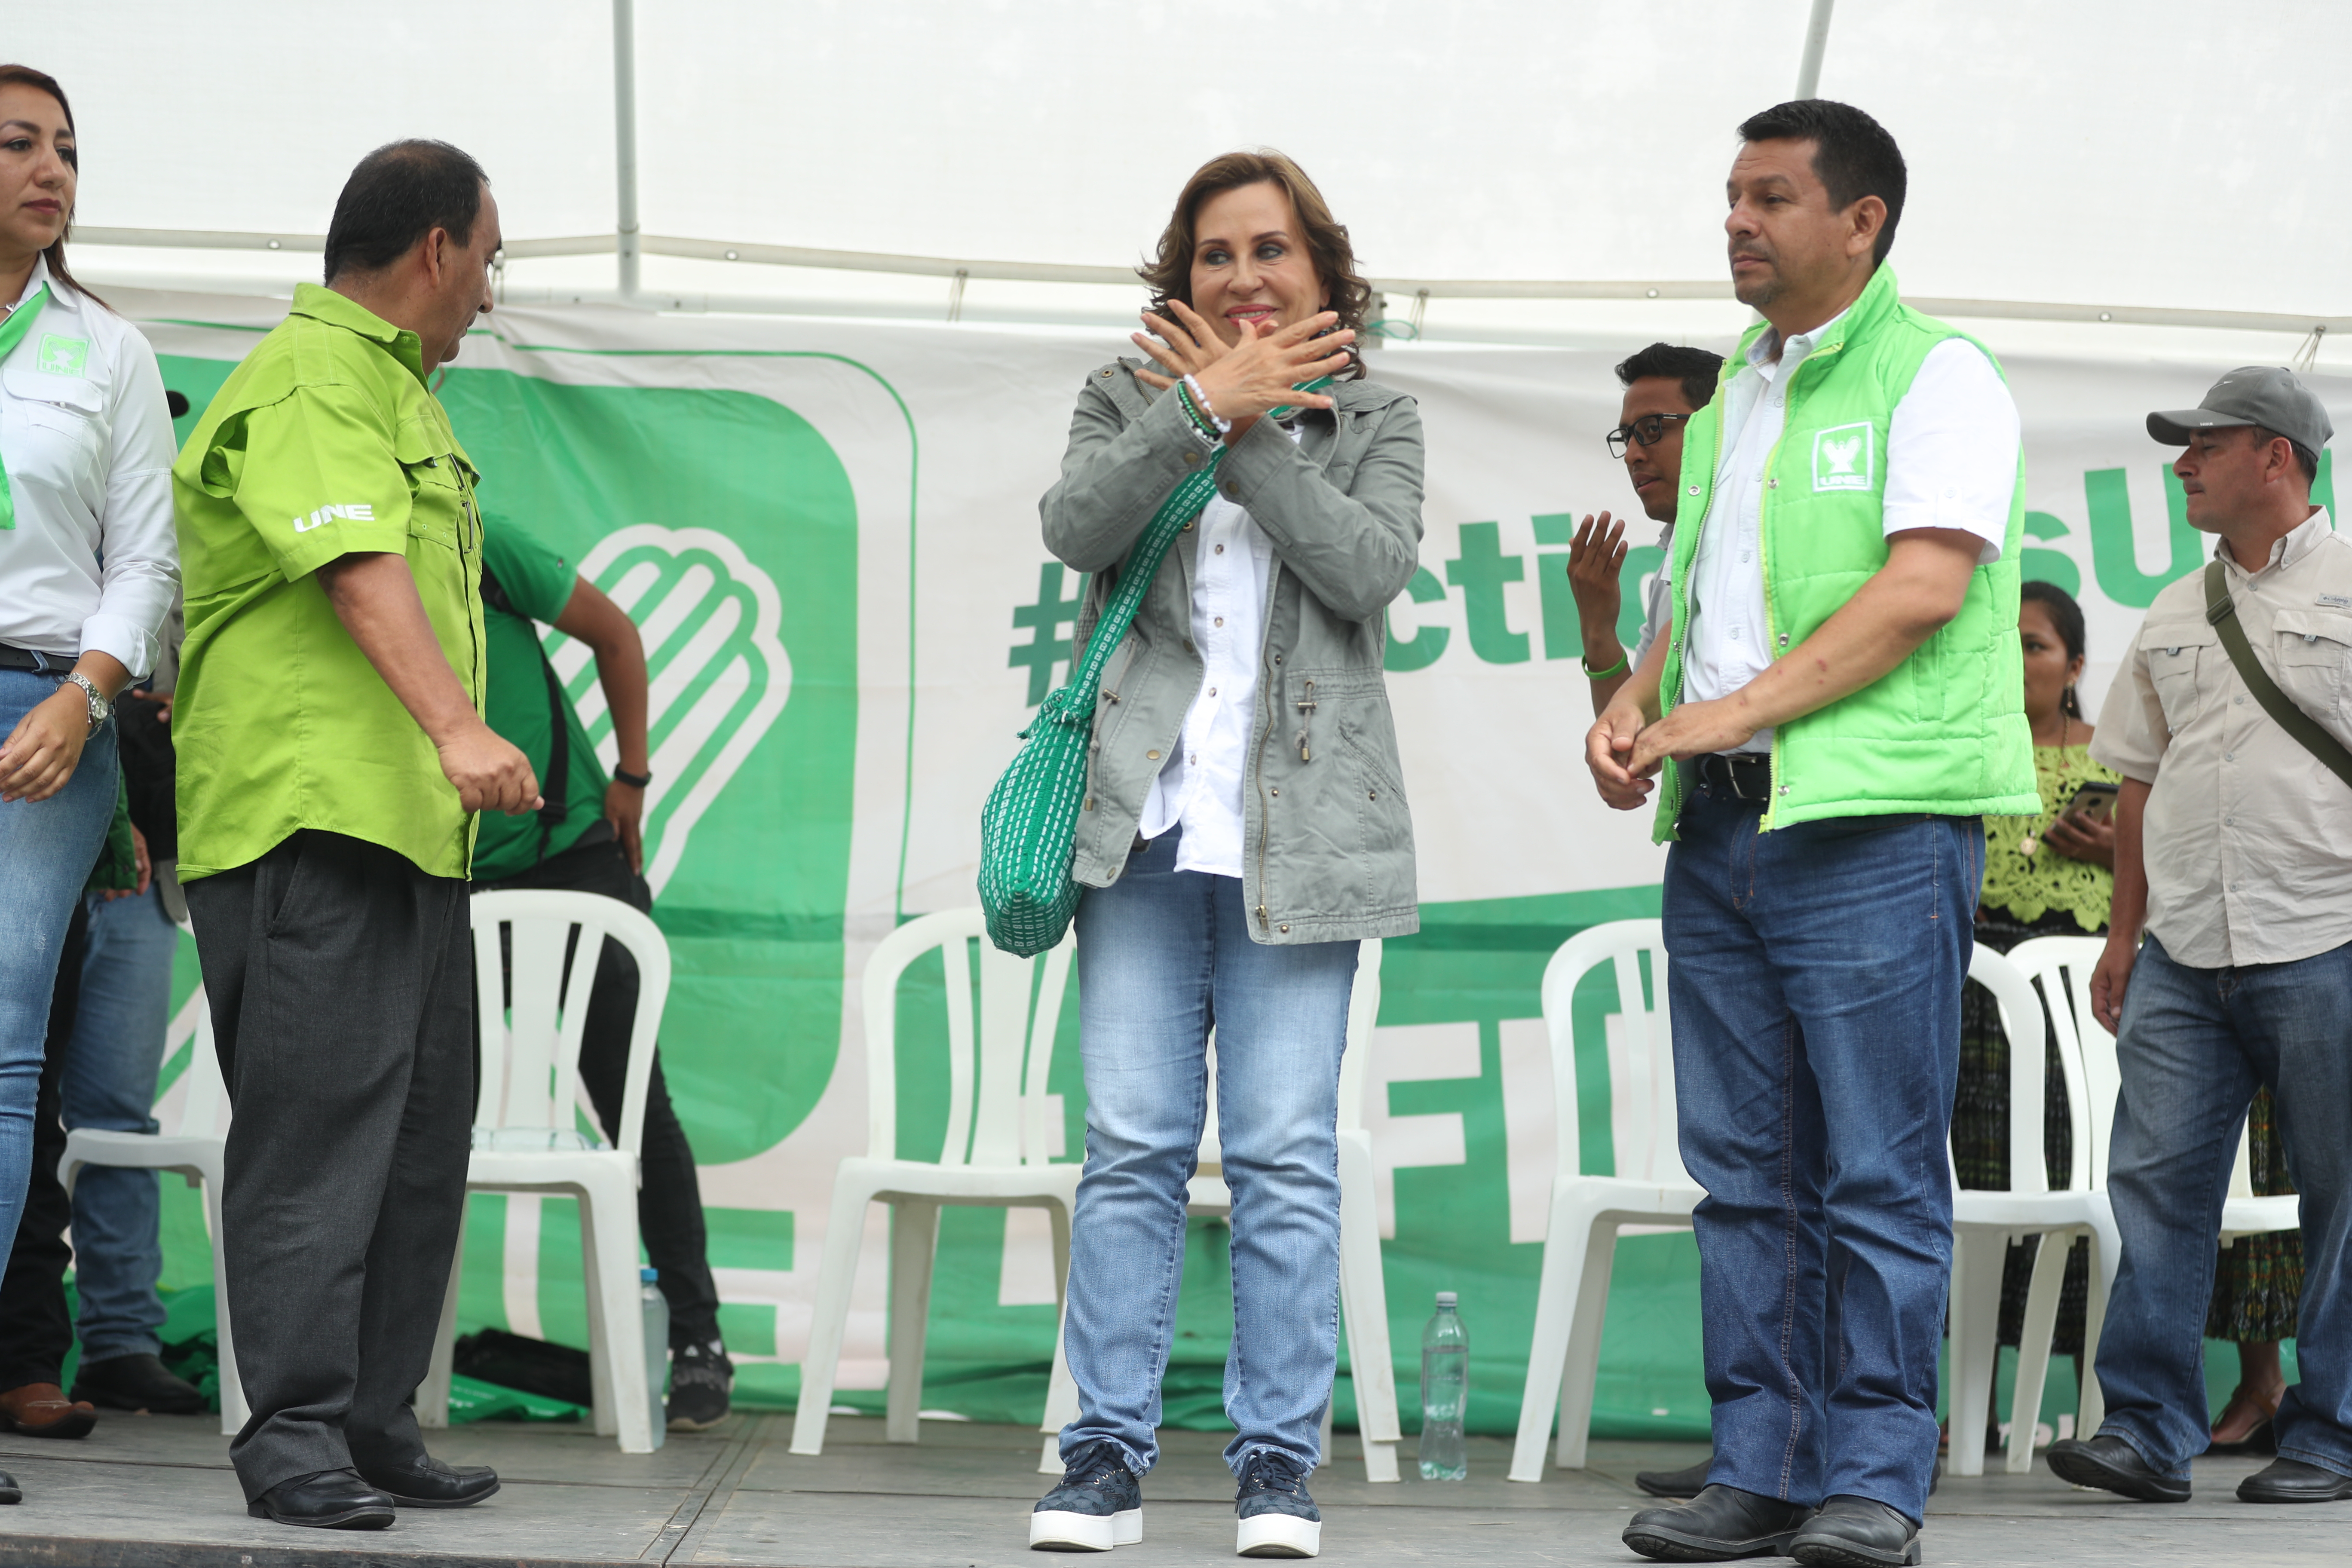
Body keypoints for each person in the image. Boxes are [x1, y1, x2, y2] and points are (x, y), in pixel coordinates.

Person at [1589, 100, 2035, 1566]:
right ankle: (1761, 1462)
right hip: (1719, 826)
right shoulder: (1733, 395)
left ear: (1862, 221)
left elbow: (1917, 592)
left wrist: (1731, 715)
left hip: (1870, 825)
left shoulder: (1938, 374)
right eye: (1729, 195)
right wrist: (1641, 701)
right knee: (1741, 1164)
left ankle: (1874, 1474)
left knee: (1876, 1165)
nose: (1737, 220)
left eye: (1772, 197)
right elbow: (1696, 596)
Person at [1026, 149, 1422, 1561]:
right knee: (1130, 1145)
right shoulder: (1124, 397)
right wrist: (1195, 408)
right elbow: (1076, 524)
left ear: (1320, 270)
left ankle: (1274, 1464)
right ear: (1178, 277)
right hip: (1139, 827)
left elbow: (1370, 570)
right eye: (1215, 255)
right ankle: (1103, 1457)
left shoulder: (1374, 413)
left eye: (1270, 251)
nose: (1243, 276)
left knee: (1280, 1153)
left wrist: (1249, 427)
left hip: (1302, 839)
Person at [172, 140, 539, 1530]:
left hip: (407, 835)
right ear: (435, 249)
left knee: (416, 1142)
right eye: (489, 258)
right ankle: (294, 1433)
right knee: (316, 1138)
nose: (491, 294)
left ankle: (375, 1415)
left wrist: (441, 767)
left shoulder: (397, 390)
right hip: (310, 818)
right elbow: (351, 559)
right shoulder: (318, 373)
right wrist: (456, 725)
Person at [2046, 366, 2352, 1506]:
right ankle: (2146, 1429)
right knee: (2157, 1188)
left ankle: (2332, 1436)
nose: (2182, 465)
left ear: (2275, 456)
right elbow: (2135, 784)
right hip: (2182, 951)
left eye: (2204, 446)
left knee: (2344, 1195)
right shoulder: (2177, 607)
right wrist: (2123, 940)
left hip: (2330, 935)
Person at [0, 64, 179, 1497]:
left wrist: (85, 692)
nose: (49, 167)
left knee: (5, 1063)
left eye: (64, 146)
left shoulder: (106, 349)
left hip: (42, 711)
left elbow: (146, 565)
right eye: (15, 143)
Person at [469, 513, 733, 1429]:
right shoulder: (345, 564)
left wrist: (632, 776)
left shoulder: (480, 538)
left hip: (568, 847)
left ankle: (696, 1338)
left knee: (629, 1099)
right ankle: (385, 1352)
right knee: (420, 1104)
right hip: (438, 871)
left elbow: (615, 633)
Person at [1948, 580, 2113, 1445]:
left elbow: (2176, 872)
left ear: (2076, 665)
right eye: (2001, 642)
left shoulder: (2119, 759)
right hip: (1972, 1010)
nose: (2017, 661)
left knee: (2082, 1193)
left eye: (2036, 645)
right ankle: (1965, 1408)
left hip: (2081, 1021)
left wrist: (2125, 847)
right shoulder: (1958, 748)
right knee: (1970, 1193)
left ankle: (2099, 1412)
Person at [1564, 343, 1724, 715]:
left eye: (1651, 429)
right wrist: (1598, 629)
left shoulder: (1768, 543)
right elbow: (1637, 738)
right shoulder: (1671, 564)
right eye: (1627, 437)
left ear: (1718, 425)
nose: (1634, 454)